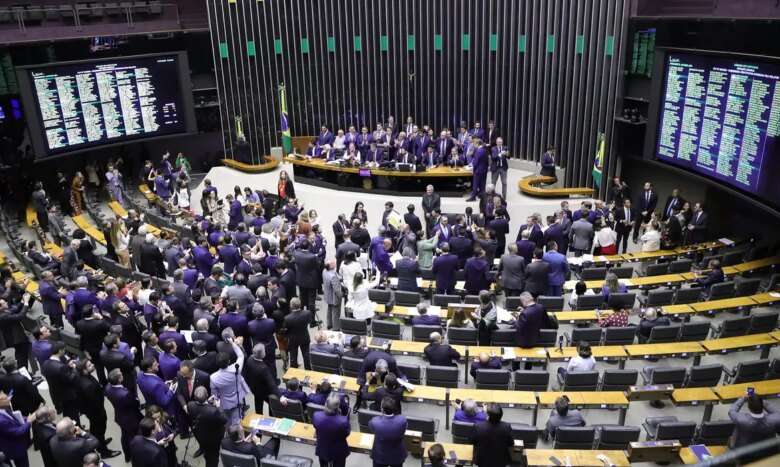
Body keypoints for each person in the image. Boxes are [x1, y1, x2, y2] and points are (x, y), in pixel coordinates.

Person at [104, 369, 143, 463]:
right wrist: (136, 399)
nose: (122, 375)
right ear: (119, 379)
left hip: (120, 416)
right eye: (121, 374)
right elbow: (135, 404)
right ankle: (136, 457)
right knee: (134, 438)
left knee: (124, 436)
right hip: (131, 419)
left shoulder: (108, 388)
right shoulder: (125, 394)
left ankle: (127, 455)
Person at [210, 337, 250, 426]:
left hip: (224, 404)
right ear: (228, 361)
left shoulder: (213, 377)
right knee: (237, 422)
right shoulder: (236, 369)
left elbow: (215, 394)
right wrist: (233, 343)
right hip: (237, 400)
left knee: (227, 423)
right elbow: (240, 355)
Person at [187, 387, 227, 467]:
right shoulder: (213, 411)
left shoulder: (190, 405)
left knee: (207, 453)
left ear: (195, 397)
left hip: (199, 435)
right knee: (213, 458)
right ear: (207, 395)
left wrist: (208, 403)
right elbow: (224, 420)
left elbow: (201, 409)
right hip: (213, 439)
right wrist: (218, 407)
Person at [312, 393, 351, 467]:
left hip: (322, 448)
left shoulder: (316, 415)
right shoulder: (343, 420)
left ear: (325, 404)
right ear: (338, 406)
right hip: (338, 451)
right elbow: (347, 433)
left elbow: (315, 426)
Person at [369, 397, 408, 467]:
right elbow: (404, 429)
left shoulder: (375, 421)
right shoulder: (402, 420)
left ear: (382, 410)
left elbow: (372, 429)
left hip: (380, 455)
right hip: (397, 455)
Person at [0, 390, 34, 467]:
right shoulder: (1, 420)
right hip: (15, 448)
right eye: (6, 398)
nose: (9, 399)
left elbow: (14, 419)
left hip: (14, 443)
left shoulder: (5, 409)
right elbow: (17, 432)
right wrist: (28, 422)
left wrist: (25, 418)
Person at [243, 344, 279, 415]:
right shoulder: (263, 368)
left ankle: (258, 416)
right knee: (272, 403)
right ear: (263, 354)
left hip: (255, 389)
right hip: (265, 391)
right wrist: (280, 396)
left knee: (258, 404)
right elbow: (271, 384)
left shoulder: (250, 359)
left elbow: (246, 373)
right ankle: (271, 416)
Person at [284, 298, 313, 369]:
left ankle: (294, 372)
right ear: (300, 304)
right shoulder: (307, 313)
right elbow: (309, 321)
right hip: (304, 337)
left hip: (293, 339)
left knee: (293, 357)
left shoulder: (287, 318)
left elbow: (285, 329)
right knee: (306, 356)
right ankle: (308, 370)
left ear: (291, 306)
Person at [322, 259, 343, 331]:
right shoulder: (333, 277)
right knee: (336, 313)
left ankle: (329, 324)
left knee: (329, 310)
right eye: (333, 263)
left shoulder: (324, 271)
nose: (335, 263)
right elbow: (337, 290)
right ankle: (336, 327)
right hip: (334, 298)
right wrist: (341, 296)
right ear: (331, 267)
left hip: (328, 295)